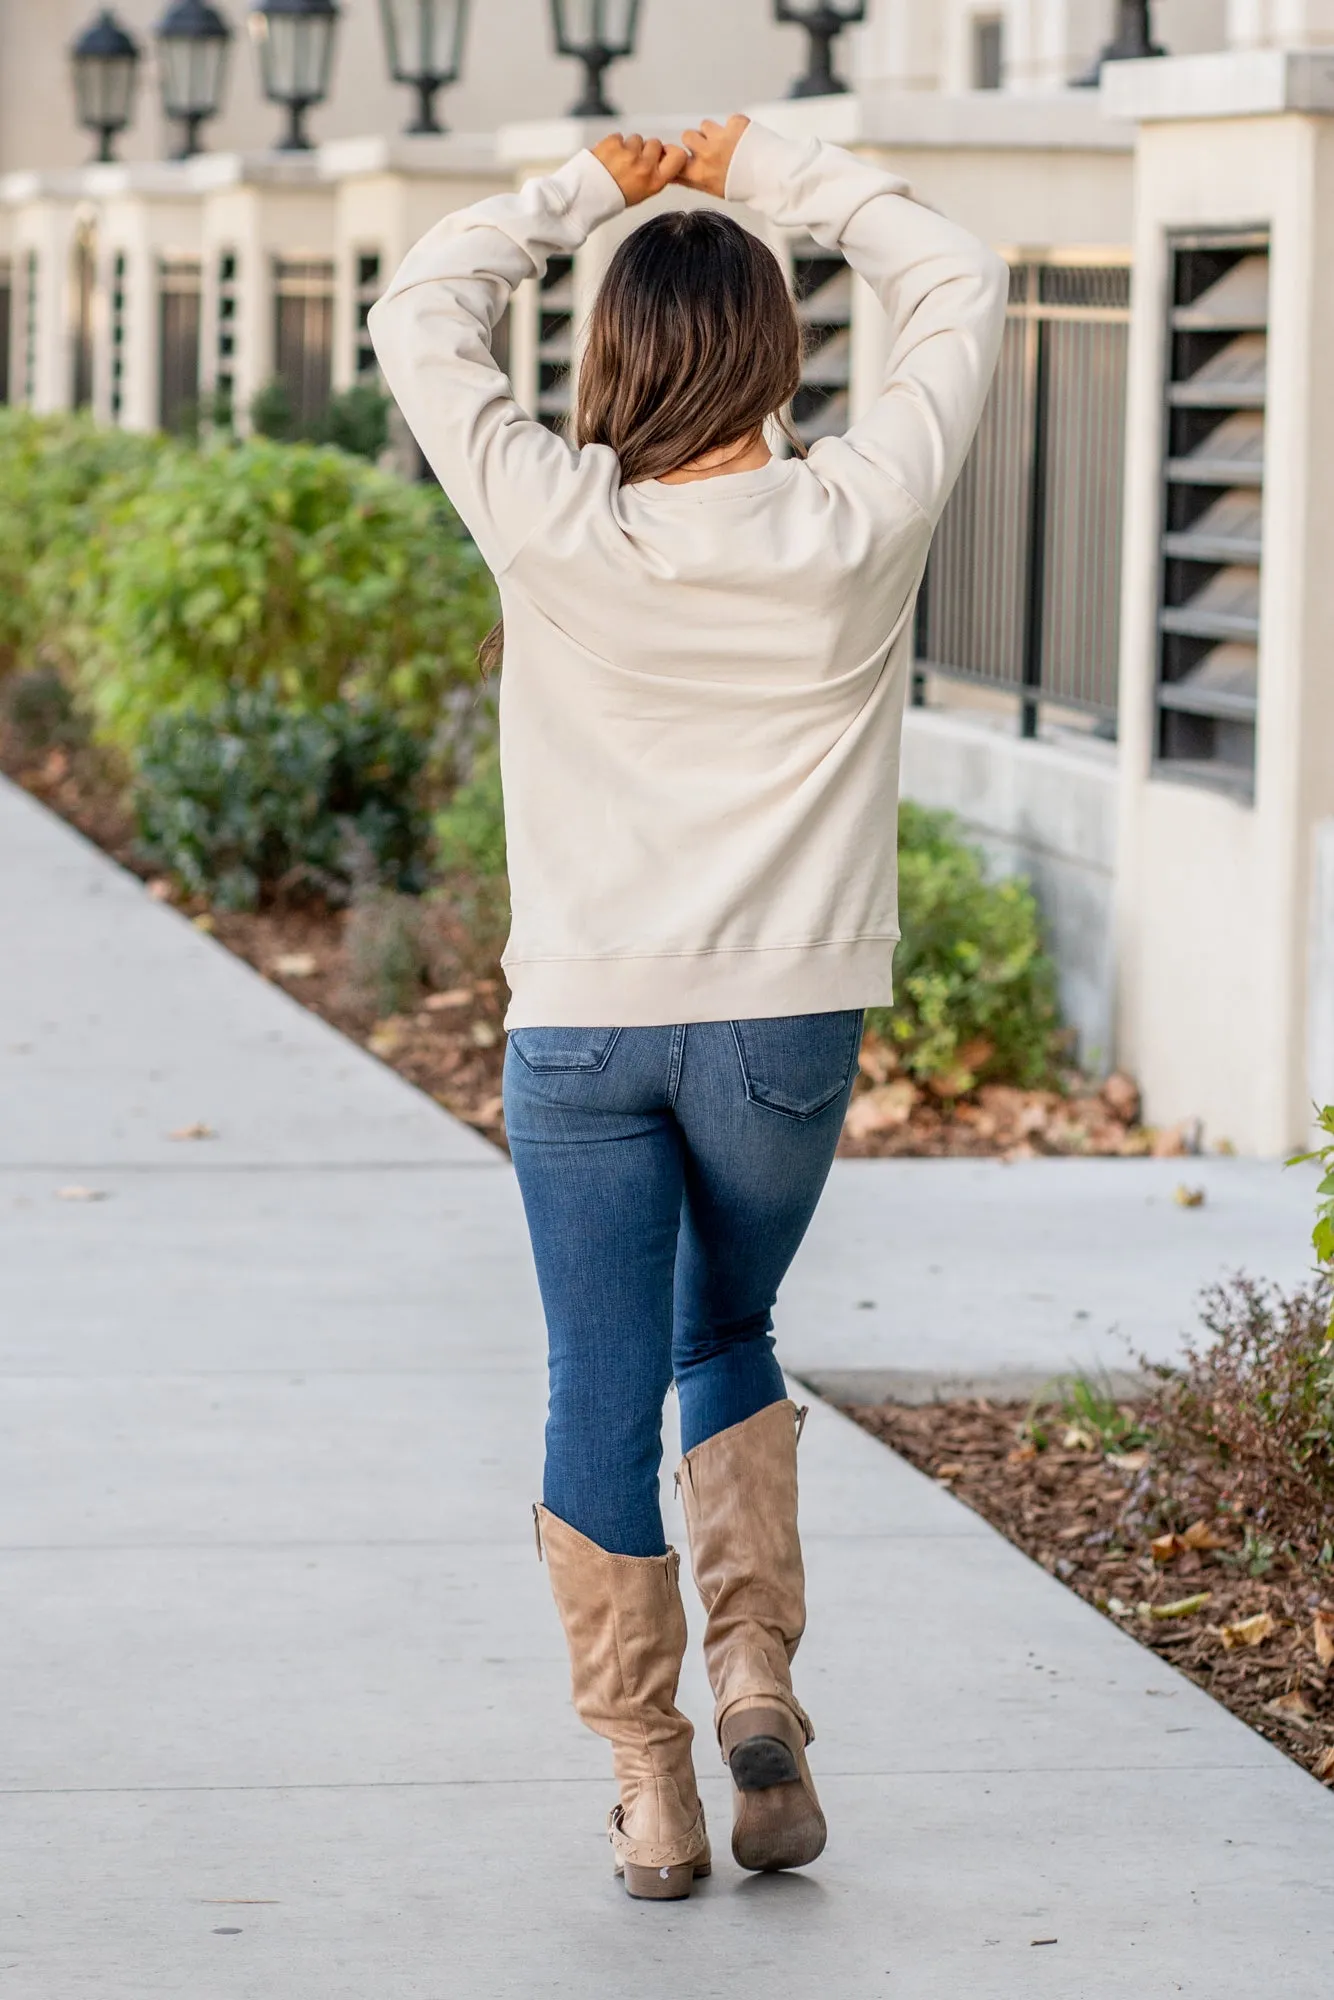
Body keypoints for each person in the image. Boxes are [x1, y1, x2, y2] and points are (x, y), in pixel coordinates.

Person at [370, 114, 1006, 1901]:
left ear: (616, 359)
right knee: (722, 1332)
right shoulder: (852, 521)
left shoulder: (553, 520)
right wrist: (780, 169)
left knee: (596, 1380)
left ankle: (649, 1785)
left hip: (579, 1029)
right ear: (775, 356)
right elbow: (958, 277)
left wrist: (593, 184)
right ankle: (756, 1686)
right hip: (781, 1033)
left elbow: (422, 305)